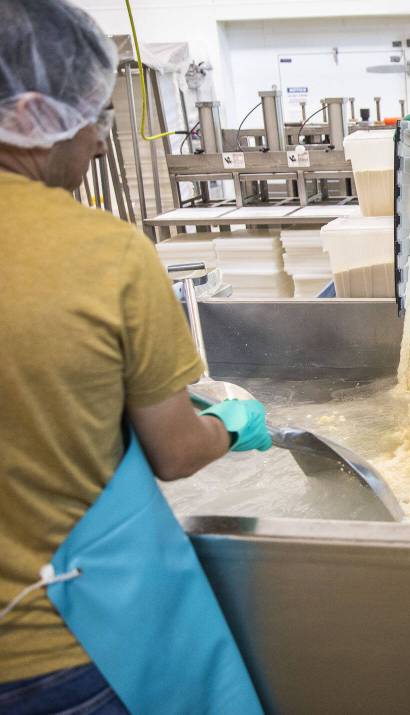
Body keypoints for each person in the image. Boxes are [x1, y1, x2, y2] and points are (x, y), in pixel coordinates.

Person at [0, 1, 270, 712]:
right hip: (59, 644)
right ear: (32, 115)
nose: (97, 143)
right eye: (93, 117)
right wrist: (234, 420)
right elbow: (175, 452)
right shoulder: (102, 252)